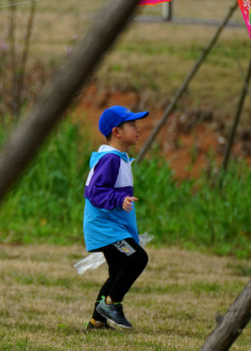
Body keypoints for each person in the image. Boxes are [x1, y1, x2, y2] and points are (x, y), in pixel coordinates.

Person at [83, 105, 149, 332]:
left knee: (118, 271)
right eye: (132, 125)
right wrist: (118, 199)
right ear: (117, 132)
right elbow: (94, 191)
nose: (137, 129)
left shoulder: (119, 158)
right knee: (136, 258)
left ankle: (97, 322)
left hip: (113, 226)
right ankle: (111, 305)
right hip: (105, 228)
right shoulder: (110, 159)